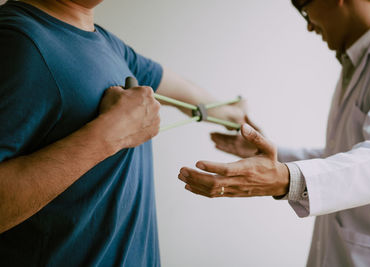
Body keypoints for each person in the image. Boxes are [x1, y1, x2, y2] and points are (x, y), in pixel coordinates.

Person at [0, 0, 245, 266]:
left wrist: (237, 120)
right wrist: (108, 136)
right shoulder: (16, 42)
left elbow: (187, 93)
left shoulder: (105, 43)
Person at [179, 0, 370, 266]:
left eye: (305, 9)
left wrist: (288, 180)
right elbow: (345, 155)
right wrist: (275, 156)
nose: (308, 25)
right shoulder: (357, 62)